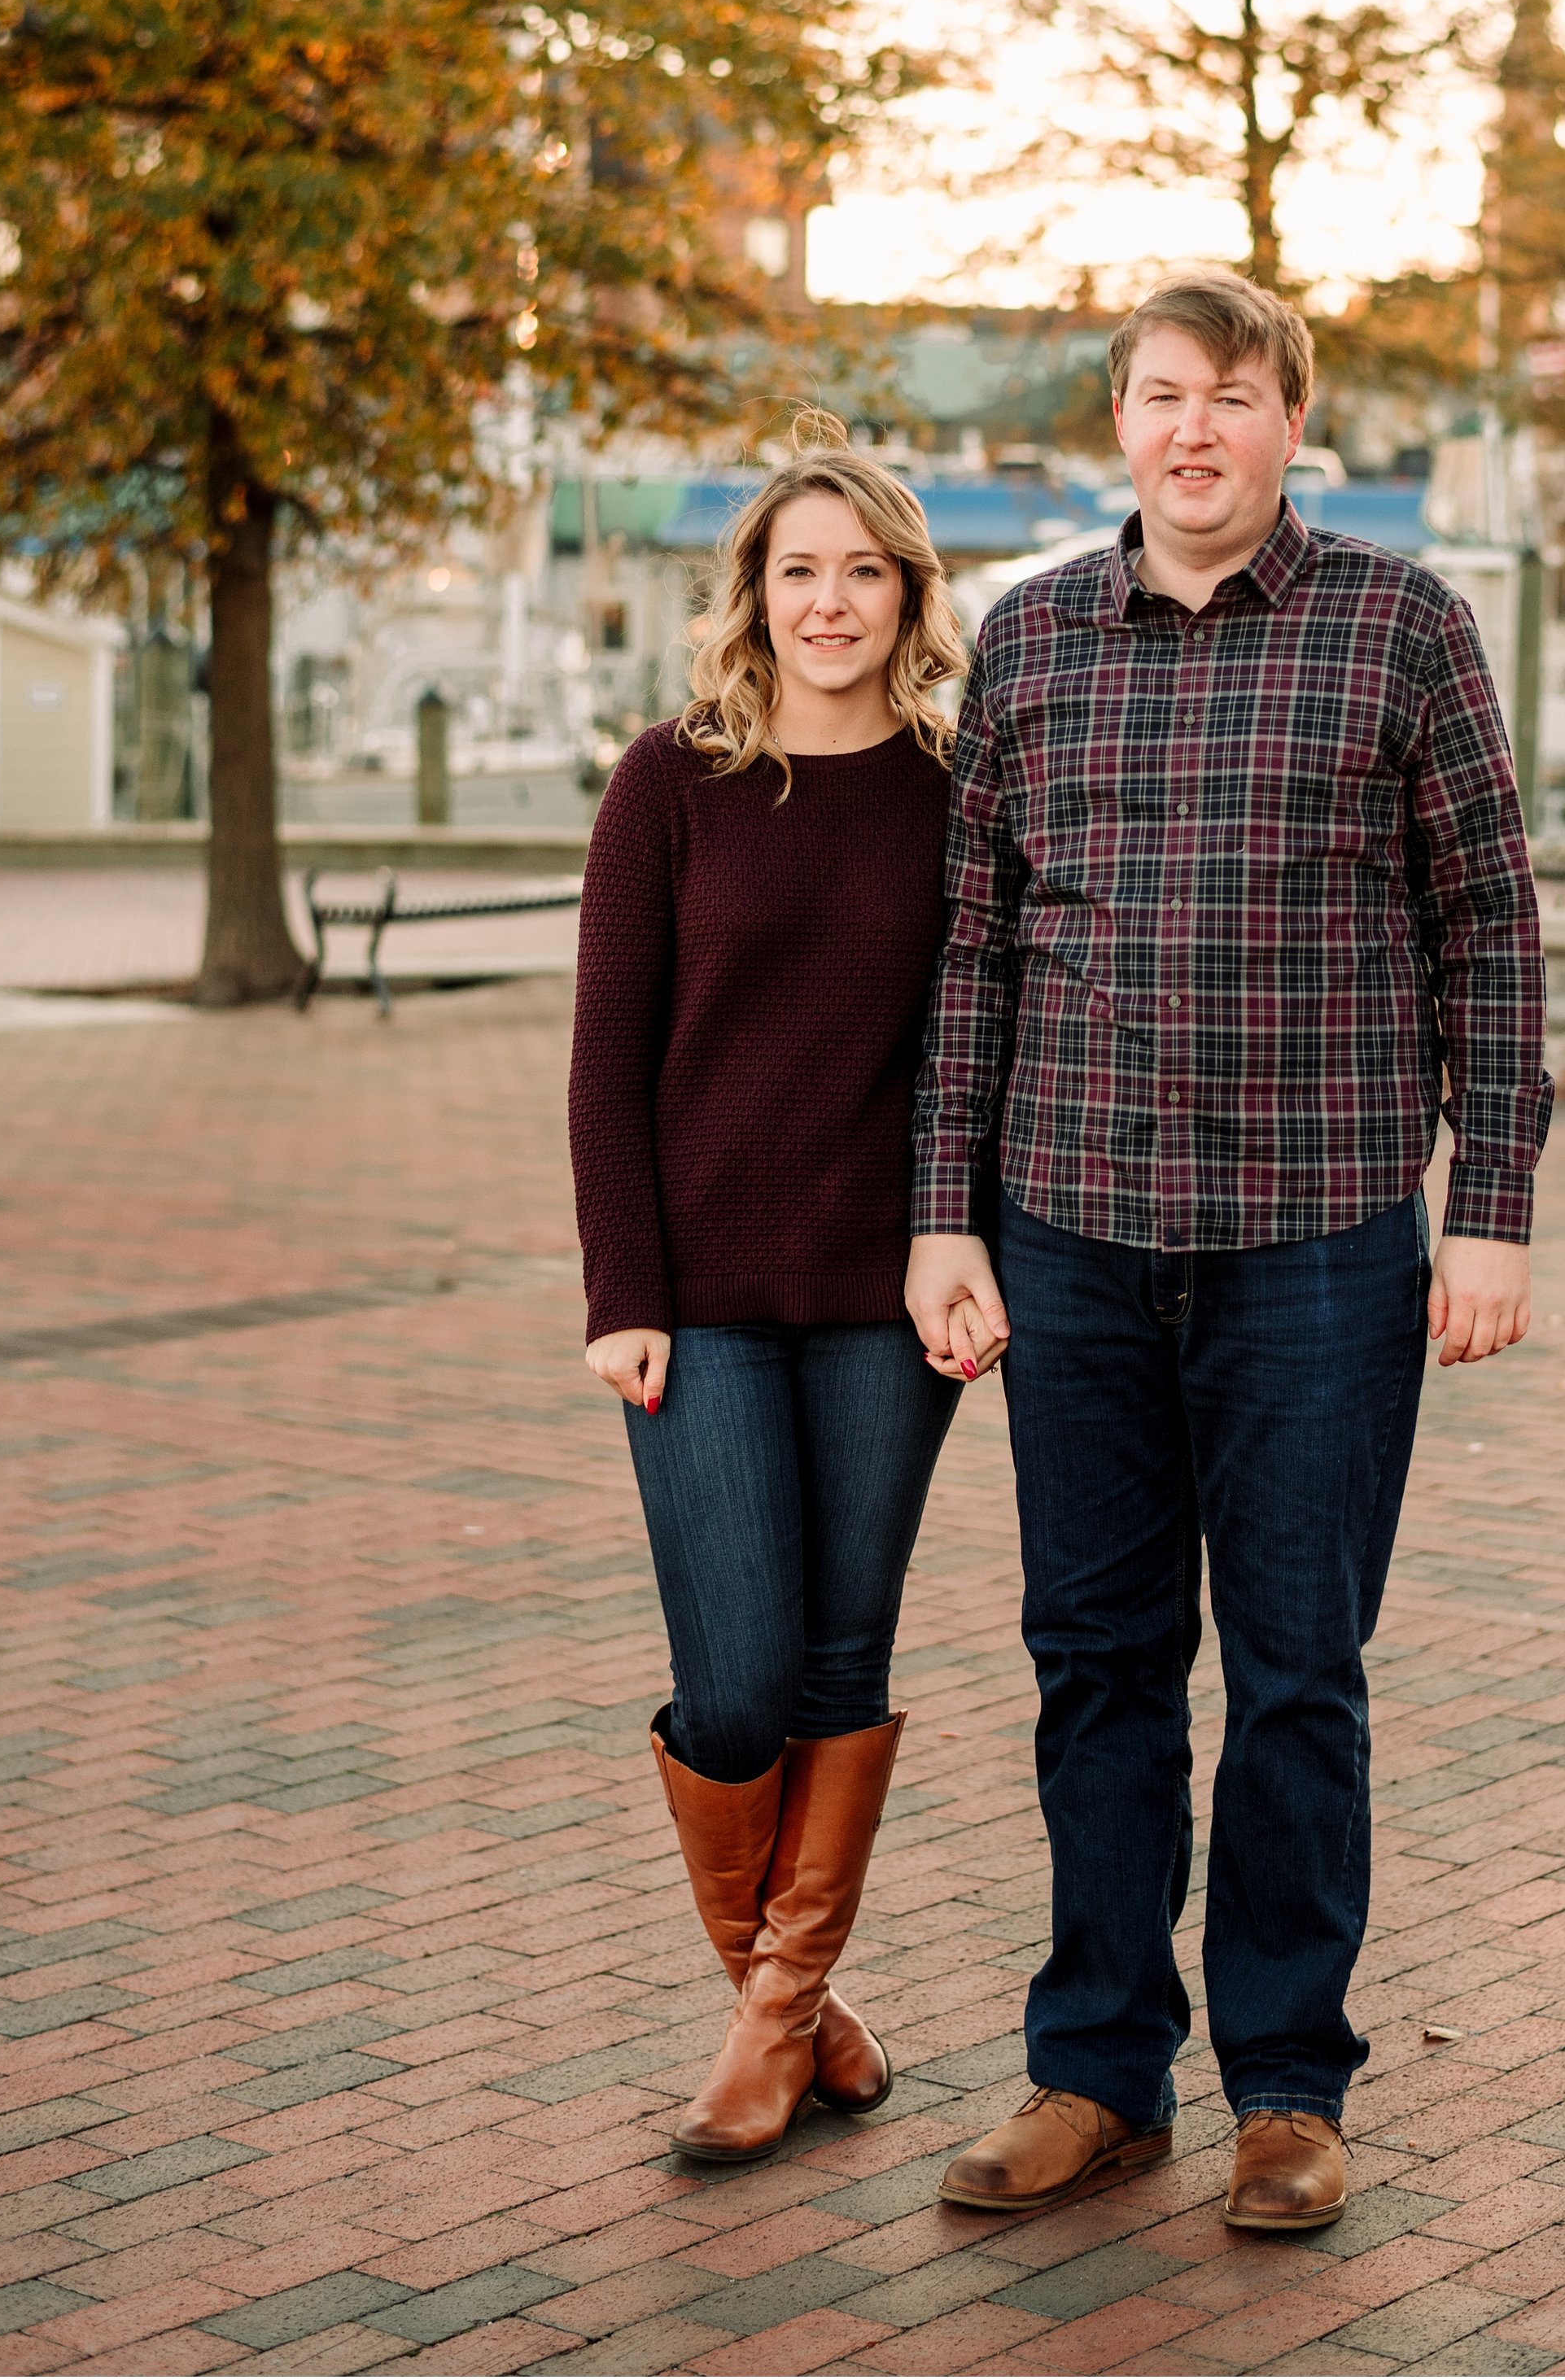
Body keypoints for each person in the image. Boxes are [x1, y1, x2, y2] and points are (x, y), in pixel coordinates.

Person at [906, 273, 1552, 2234]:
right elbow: (971, 959)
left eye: (1236, 399)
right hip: (1074, 1238)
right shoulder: (1026, 644)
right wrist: (944, 1209)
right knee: (1095, 1664)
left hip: (1320, 1246)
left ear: (1292, 429)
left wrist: (1492, 1207)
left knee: (1292, 1673)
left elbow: (1488, 934)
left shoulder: (1399, 626)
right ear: (1116, 421)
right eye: (1161, 397)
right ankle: (1094, 2071)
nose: (1195, 431)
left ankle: (1285, 2087)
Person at [569, 414, 969, 2164]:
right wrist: (621, 1286)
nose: (828, 602)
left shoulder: (962, 785)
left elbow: (983, 1046)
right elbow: (606, 1062)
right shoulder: (672, 779)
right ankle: (791, 1999)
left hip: (888, 1305)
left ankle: (772, 2021)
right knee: (733, 1681)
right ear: (755, 593)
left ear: (905, 595)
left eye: (860, 572)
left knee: (838, 1660)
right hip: (704, 1299)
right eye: (797, 571)